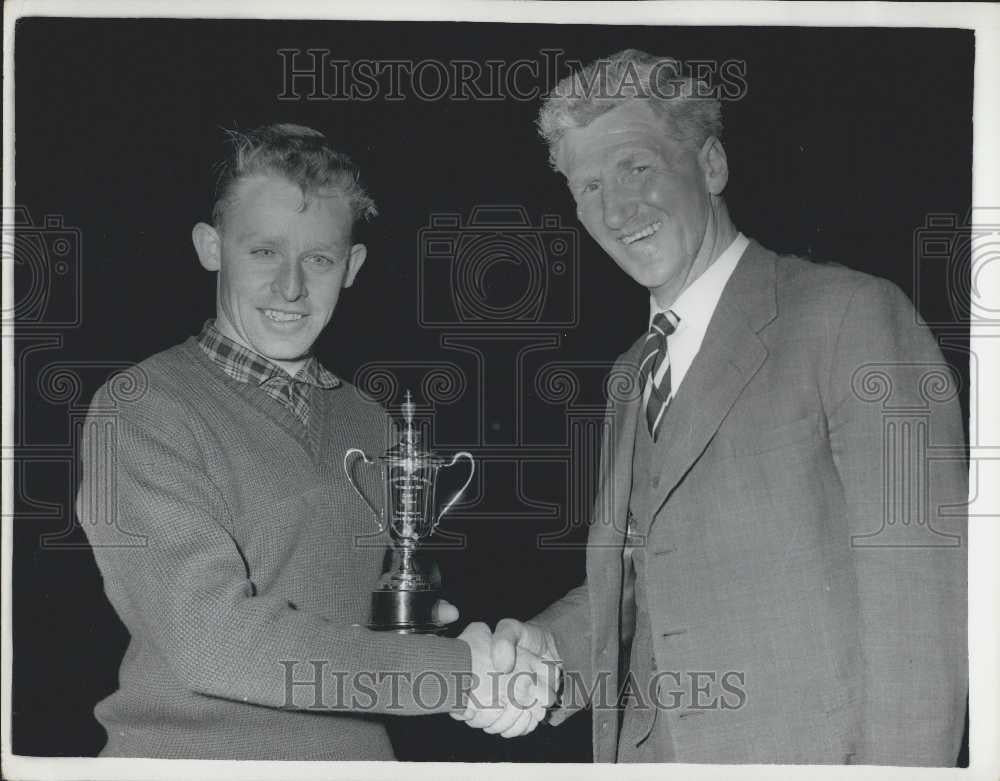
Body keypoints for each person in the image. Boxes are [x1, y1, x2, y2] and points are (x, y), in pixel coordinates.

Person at [456, 50, 968, 765]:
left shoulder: (848, 317)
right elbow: (645, 584)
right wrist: (547, 655)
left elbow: (922, 631)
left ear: (712, 166)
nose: (616, 208)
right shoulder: (631, 375)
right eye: (589, 184)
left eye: (638, 168)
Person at [76, 123, 554, 759]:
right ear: (210, 248)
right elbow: (212, 641)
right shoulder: (141, 408)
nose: (293, 287)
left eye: (320, 258)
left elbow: (360, 622)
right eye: (264, 252)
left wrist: (444, 638)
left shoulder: (371, 422)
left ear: (352, 267)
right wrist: (456, 675)